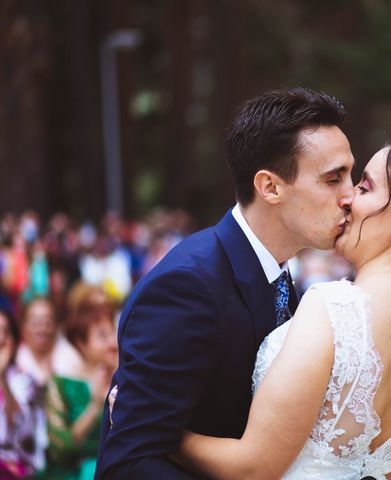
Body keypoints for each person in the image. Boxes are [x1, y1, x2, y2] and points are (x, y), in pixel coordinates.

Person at [175, 131, 391, 479]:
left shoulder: (334, 308)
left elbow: (253, 469)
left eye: (365, 188)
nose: (347, 198)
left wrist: (166, 435)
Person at [94, 87, 355, 479]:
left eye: (351, 176)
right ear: (270, 187)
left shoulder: (285, 281)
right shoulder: (188, 287)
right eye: (333, 179)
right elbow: (129, 462)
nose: (350, 195)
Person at [42, 290, 117, 480]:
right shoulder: (61, 384)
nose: (112, 342)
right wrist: (93, 406)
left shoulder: (123, 380)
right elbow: (60, 450)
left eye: (113, 333)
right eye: (102, 335)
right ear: (81, 343)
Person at [0, 306, 47, 478]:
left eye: (3, 331)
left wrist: (2, 376)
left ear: (11, 341)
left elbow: (18, 430)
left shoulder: (26, 382)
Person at [15, 298, 83, 387]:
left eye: (47, 321)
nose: (42, 328)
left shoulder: (70, 358)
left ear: (57, 326)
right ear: (23, 327)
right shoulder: (15, 359)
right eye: (35, 322)